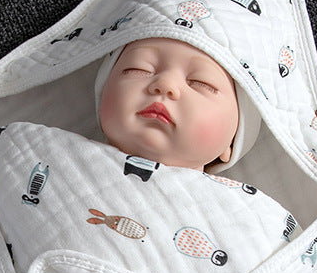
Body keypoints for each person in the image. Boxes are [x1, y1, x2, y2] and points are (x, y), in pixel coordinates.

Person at [95, 36, 260, 172]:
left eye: (201, 82)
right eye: (140, 69)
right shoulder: (76, 156)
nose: (165, 84)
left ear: (232, 141)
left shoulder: (241, 201)